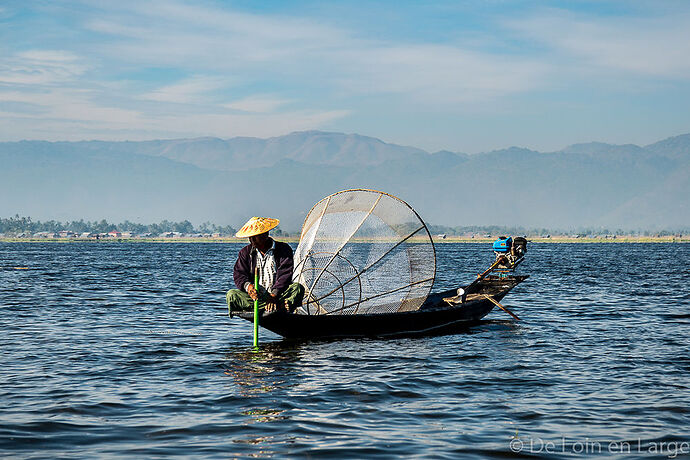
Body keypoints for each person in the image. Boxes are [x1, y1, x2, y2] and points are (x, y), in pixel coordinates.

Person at [226, 216, 304, 316]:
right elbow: (239, 275)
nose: (252, 240)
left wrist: (273, 296)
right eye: (250, 237)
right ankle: (278, 306)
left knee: (297, 288)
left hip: (278, 294)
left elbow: (285, 275)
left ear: (265, 235)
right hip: (257, 298)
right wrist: (249, 288)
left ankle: (274, 304)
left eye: (255, 236)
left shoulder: (283, 249)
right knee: (232, 295)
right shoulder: (245, 252)